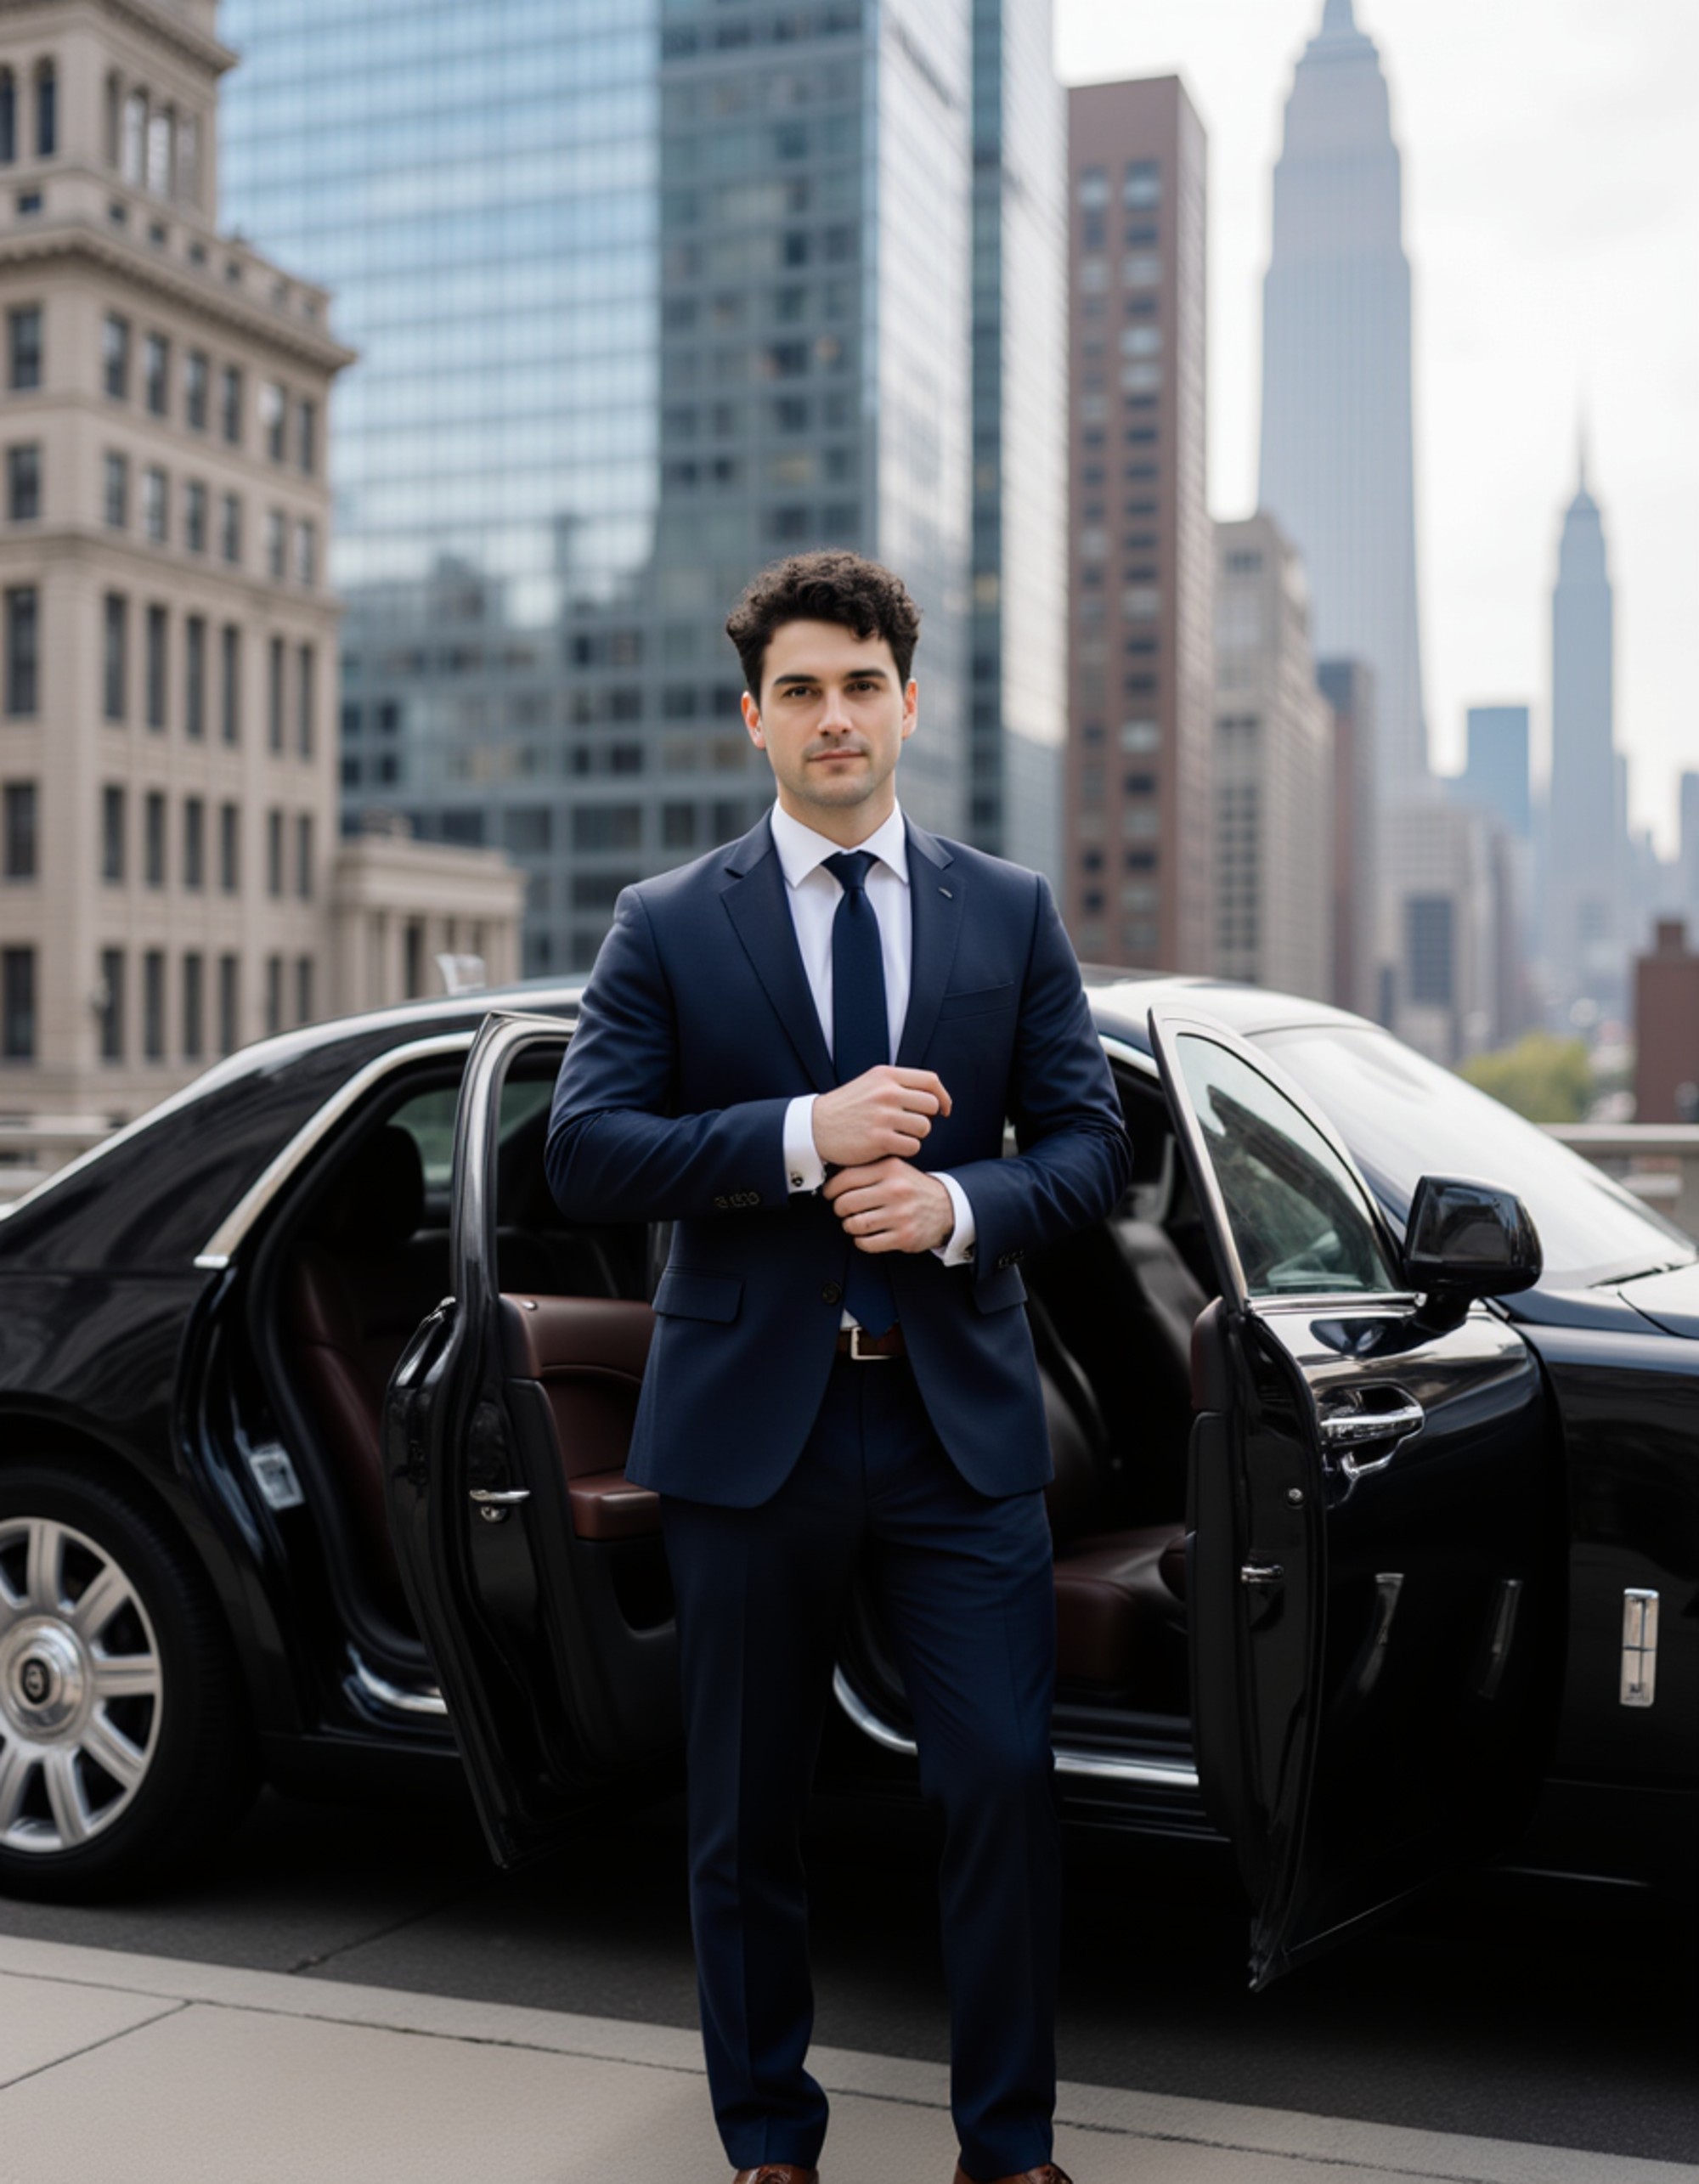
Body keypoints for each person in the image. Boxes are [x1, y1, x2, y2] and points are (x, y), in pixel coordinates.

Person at [545, 550, 1130, 2184]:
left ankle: (1009, 2149)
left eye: (861, 684)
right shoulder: (665, 923)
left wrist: (957, 1201)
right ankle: (770, 2144)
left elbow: (1093, 1150)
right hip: (749, 1435)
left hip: (956, 1424)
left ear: (910, 705)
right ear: (755, 719)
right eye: (798, 690)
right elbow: (585, 1154)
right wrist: (804, 1138)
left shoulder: (1007, 910)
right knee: (747, 1812)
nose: (834, 717)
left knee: (1002, 1787)